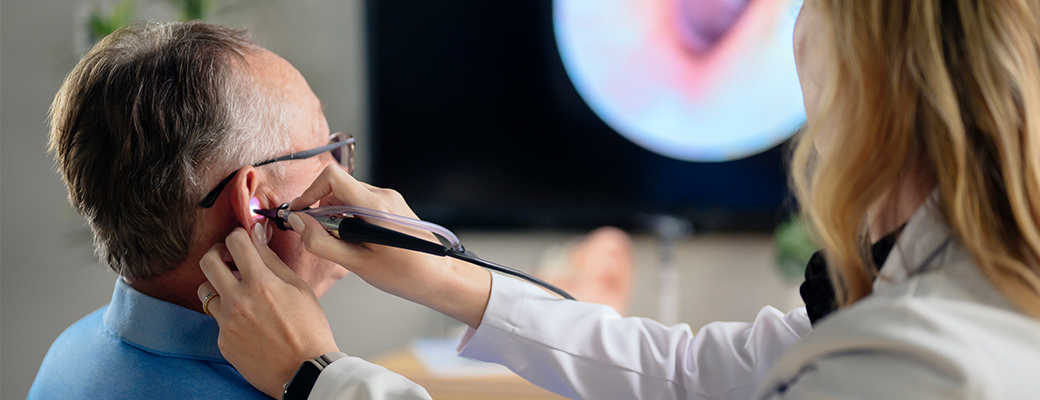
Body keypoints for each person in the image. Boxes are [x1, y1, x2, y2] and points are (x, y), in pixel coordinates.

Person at [200, 0, 1040, 398]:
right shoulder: (940, 286)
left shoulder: (923, 368)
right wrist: (440, 272)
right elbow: (684, 376)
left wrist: (322, 382)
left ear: (874, 88)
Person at [26, 21, 423, 399]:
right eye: (324, 152)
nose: (347, 178)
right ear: (258, 208)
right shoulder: (301, 388)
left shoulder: (64, 357)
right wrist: (314, 374)